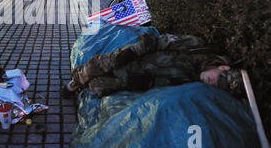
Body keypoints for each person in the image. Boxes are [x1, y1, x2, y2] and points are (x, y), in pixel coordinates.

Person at [62, 32, 244, 99]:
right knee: (97, 65)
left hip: (139, 77)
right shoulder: (197, 47)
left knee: (99, 86)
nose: (210, 82)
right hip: (136, 57)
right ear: (222, 68)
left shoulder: (196, 81)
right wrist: (134, 51)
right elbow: (161, 41)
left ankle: (85, 84)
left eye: (214, 86)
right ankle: (75, 82)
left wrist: (147, 84)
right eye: (215, 79)